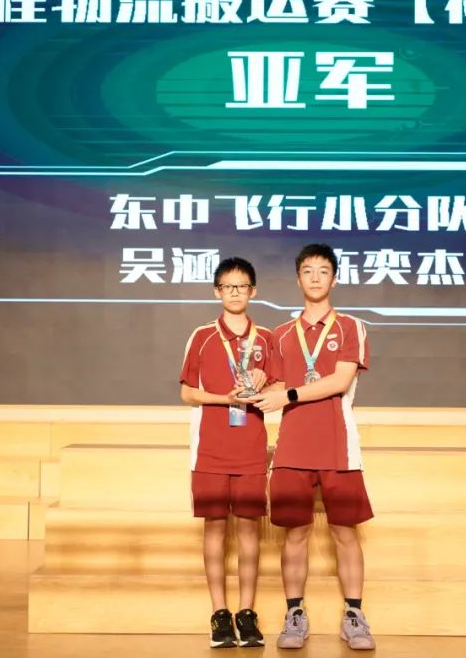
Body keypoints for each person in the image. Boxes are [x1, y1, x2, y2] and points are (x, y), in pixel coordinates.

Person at [250, 243, 376, 651]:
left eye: (324, 270)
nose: (316, 277)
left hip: (339, 445)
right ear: (298, 278)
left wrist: (286, 394)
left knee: (345, 532)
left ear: (334, 279)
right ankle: (294, 614)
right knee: (295, 533)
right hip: (292, 448)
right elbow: (274, 384)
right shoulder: (280, 335)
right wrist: (255, 382)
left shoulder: (351, 327)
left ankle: (354, 615)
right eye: (308, 270)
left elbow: (339, 381)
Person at [179, 257, 273, 649]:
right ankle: (219, 613)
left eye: (242, 286)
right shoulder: (202, 336)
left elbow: (281, 387)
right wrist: (226, 398)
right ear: (217, 291)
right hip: (211, 449)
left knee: (249, 531)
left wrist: (266, 380)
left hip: (250, 447)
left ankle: (246, 613)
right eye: (228, 286)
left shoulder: (266, 338)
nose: (235, 292)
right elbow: (187, 392)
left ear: (254, 291)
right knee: (215, 529)